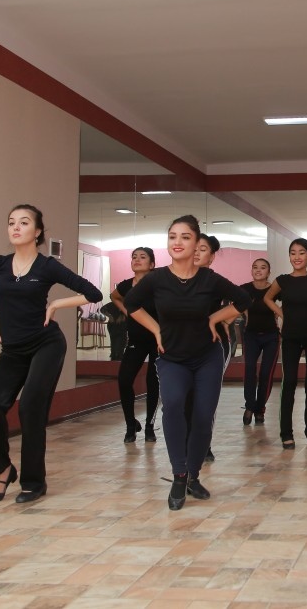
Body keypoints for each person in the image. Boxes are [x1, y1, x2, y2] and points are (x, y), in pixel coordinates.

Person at [0, 204, 103, 504]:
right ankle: (2, 470)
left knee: (30, 407)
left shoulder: (47, 266)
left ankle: (34, 481)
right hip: (12, 350)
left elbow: (93, 293)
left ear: (37, 232)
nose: (16, 227)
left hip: (46, 344)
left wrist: (56, 305)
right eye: (11, 222)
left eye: (24, 223)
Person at [123, 215, 251, 510]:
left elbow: (244, 300)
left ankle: (193, 475)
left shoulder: (209, 279)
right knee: (173, 405)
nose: (177, 242)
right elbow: (131, 304)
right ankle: (179, 474)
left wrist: (215, 318)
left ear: (196, 245)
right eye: (172, 236)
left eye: (185, 237)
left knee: (203, 416)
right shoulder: (157, 279)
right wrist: (156, 329)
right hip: (172, 358)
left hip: (207, 357)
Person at [263, 239, 307, 449]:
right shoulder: (282, 281)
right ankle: (286, 433)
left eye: (301, 253)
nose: (297, 257)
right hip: (290, 337)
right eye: (293, 253)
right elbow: (267, 298)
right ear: (289, 256)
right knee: (289, 382)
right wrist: (282, 314)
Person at [110, 247, 160, 443]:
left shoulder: (158, 284)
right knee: (124, 380)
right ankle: (131, 425)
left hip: (157, 341)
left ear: (152, 264)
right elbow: (114, 296)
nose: (137, 260)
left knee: (153, 383)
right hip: (136, 341)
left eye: (142, 257)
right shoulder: (126, 285)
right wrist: (127, 311)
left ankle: (149, 427)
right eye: (134, 257)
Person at [190, 233, 227, 462]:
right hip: (182, 346)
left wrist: (216, 319)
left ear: (211, 257)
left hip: (213, 344)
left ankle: (204, 444)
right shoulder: (175, 279)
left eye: (202, 249)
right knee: (184, 397)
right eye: (194, 247)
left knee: (205, 399)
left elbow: (242, 301)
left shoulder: (215, 281)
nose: (196, 252)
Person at [240, 258, 279, 425]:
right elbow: (235, 304)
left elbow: (289, 303)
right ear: (251, 271)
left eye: (263, 268)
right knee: (250, 369)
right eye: (255, 267)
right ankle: (249, 406)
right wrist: (246, 315)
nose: (258, 270)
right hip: (251, 336)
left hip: (271, 336)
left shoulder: (274, 289)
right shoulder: (244, 289)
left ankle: (260, 408)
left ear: (268, 272)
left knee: (265, 373)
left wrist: (279, 314)